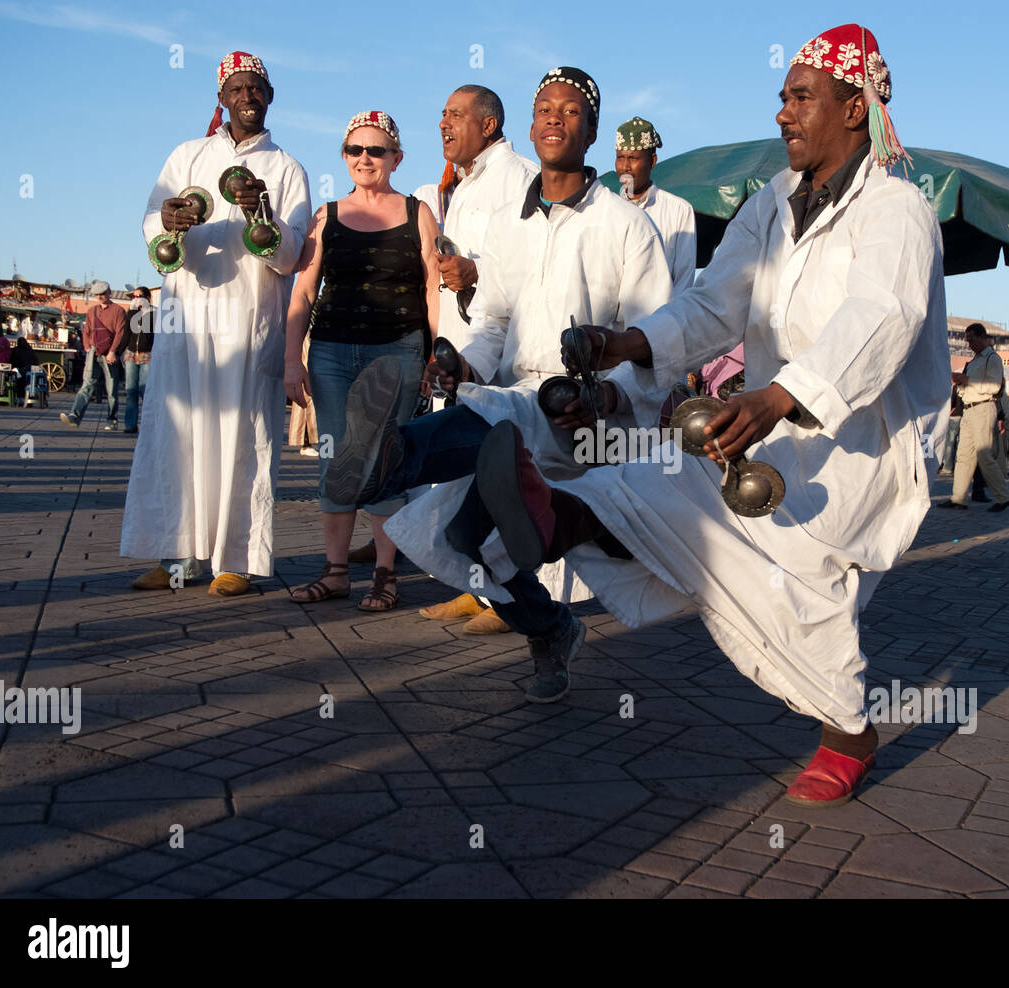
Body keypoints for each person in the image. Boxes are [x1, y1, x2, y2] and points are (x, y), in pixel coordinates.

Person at [332, 25, 947, 806]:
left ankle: (848, 732)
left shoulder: (894, 211)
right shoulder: (769, 208)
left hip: (854, 450)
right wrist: (627, 340)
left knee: (794, 588)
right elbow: (715, 304)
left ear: (854, 109)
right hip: (751, 429)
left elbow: (880, 319)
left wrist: (778, 397)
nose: (783, 112)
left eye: (801, 97)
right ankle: (543, 517)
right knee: (645, 490)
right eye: (782, 97)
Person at [331, 64, 673, 699]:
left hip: (587, 418)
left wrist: (611, 393)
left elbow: (656, 338)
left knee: (470, 459)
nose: (553, 118)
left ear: (592, 130)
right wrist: (464, 363)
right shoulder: (516, 226)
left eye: (570, 111)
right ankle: (549, 628)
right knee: (464, 539)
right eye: (544, 107)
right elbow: (492, 320)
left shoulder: (628, 227)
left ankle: (392, 453)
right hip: (517, 396)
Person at [122, 51, 311, 595]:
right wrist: (170, 220)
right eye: (238, 89)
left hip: (249, 321)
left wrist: (261, 216)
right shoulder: (187, 154)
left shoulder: (286, 167)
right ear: (222, 99)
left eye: (257, 89)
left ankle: (235, 560)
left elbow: (293, 252)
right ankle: (176, 556)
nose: (248, 97)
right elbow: (153, 226)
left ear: (270, 97)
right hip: (187, 318)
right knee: (176, 430)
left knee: (243, 433)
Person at [284, 110, 438, 612]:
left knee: (385, 458)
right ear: (344, 156)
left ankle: (385, 573)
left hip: (398, 349)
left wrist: (434, 354)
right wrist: (292, 360)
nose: (365, 159)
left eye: (376, 150)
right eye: (355, 150)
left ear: (396, 158)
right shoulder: (325, 216)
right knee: (336, 457)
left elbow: (433, 289)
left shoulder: (418, 214)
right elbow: (304, 292)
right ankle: (334, 573)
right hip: (331, 351)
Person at [414, 84, 538, 633]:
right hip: (466, 348)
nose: (445, 124)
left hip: (504, 350)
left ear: (488, 126)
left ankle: (512, 600)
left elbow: (528, 260)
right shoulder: (464, 185)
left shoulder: (517, 177)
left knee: (499, 472)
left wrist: (477, 270)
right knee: (466, 471)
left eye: (457, 115)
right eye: (442, 115)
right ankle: (478, 586)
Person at [614, 117, 697, 291]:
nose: (625, 166)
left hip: (661, 317)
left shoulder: (679, 211)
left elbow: (683, 284)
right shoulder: (606, 211)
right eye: (621, 158)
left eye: (633, 158)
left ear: (652, 161)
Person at [939, 323, 1009, 511]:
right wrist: (960, 384)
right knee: (963, 455)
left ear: (982, 337)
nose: (969, 344)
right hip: (969, 409)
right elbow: (968, 388)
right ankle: (958, 498)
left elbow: (994, 387)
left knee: (983, 454)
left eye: (971, 339)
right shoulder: (974, 361)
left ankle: (1003, 496)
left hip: (984, 408)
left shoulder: (992, 359)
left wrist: (968, 381)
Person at [59, 283, 124, 429]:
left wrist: (113, 351)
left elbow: (120, 333)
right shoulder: (92, 311)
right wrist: (87, 347)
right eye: (97, 294)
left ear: (109, 292)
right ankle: (75, 416)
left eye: (102, 293)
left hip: (110, 353)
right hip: (94, 352)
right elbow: (86, 330)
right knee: (87, 384)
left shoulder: (118, 310)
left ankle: (112, 419)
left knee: (112, 389)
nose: (100, 297)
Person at [119, 287, 154, 433]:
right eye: (133, 296)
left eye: (139, 296)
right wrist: (116, 352)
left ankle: (147, 424)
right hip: (131, 354)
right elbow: (126, 333)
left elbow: (154, 335)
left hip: (147, 354)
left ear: (147, 297)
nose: (136, 298)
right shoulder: (131, 313)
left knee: (144, 390)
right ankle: (130, 424)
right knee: (130, 390)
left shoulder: (153, 313)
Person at [939, 388, 962, 475]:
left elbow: (954, 405)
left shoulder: (955, 388)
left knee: (949, 443)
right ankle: (958, 467)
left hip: (954, 417)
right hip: (962, 416)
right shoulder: (962, 386)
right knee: (959, 444)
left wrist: (947, 414)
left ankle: (947, 467)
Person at [9, 336, 35, 404]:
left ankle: (20, 398)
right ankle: (30, 396)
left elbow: (11, 361)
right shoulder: (30, 350)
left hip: (19, 371)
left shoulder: (15, 350)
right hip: (31, 372)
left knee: (18, 378)